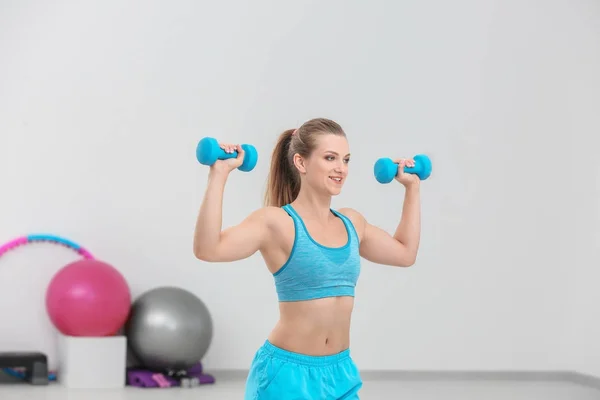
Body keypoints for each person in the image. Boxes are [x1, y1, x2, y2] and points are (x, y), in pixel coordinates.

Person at [193, 117, 422, 399]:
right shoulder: (276, 222)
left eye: (346, 159)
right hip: (286, 376)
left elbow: (405, 253)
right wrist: (219, 174)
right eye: (330, 158)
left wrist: (412, 188)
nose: (341, 168)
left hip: (340, 373)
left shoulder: (352, 223)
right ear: (301, 163)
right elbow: (208, 249)